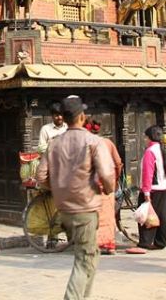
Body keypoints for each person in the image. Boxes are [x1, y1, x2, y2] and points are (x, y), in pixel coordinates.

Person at [36, 96, 114, 300]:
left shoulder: (54, 143)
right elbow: (107, 175)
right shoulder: (93, 141)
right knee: (83, 259)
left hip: (63, 209)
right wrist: (107, 189)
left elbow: (41, 176)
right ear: (82, 117)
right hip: (85, 209)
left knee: (91, 256)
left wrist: (59, 189)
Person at [87, 120, 122, 255]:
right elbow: (118, 163)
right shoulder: (108, 143)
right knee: (108, 215)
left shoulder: (86, 145)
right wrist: (116, 179)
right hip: (107, 183)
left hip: (91, 185)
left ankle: (94, 244)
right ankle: (109, 245)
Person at [138, 125, 166, 250]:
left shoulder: (150, 151)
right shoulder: (163, 151)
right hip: (162, 187)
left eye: (145, 137)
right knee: (161, 215)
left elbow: (148, 173)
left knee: (147, 215)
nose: (145, 140)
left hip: (152, 188)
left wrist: (146, 192)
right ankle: (161, 241)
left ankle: (145, 242)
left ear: (149, 137)